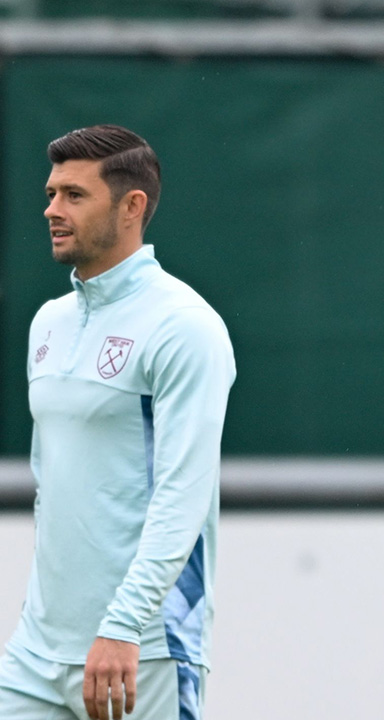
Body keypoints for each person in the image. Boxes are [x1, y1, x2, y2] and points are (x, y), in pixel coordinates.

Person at [0, 125, 236, 720]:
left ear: (132, 207)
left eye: (74, 196)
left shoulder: (184, 326)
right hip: (37, 653)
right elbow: (50, 486)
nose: (51, 209)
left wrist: (122, 625)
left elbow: (183, 495)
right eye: (52, 193)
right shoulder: (47, 323)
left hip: (143, 648)